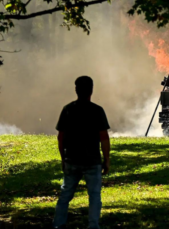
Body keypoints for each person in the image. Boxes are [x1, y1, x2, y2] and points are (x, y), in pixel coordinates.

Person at [53, 76, 111, 229]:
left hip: (72, 160)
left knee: (65, 195)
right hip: (92, 162)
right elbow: (104, 137)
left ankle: (59, 225)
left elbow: (61, 138)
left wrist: (63, 158)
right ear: (91, 90)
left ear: (76, 90)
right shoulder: (97, 111)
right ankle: (93, 225)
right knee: (94, 196)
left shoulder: (68, 110)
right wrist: (107, 159)